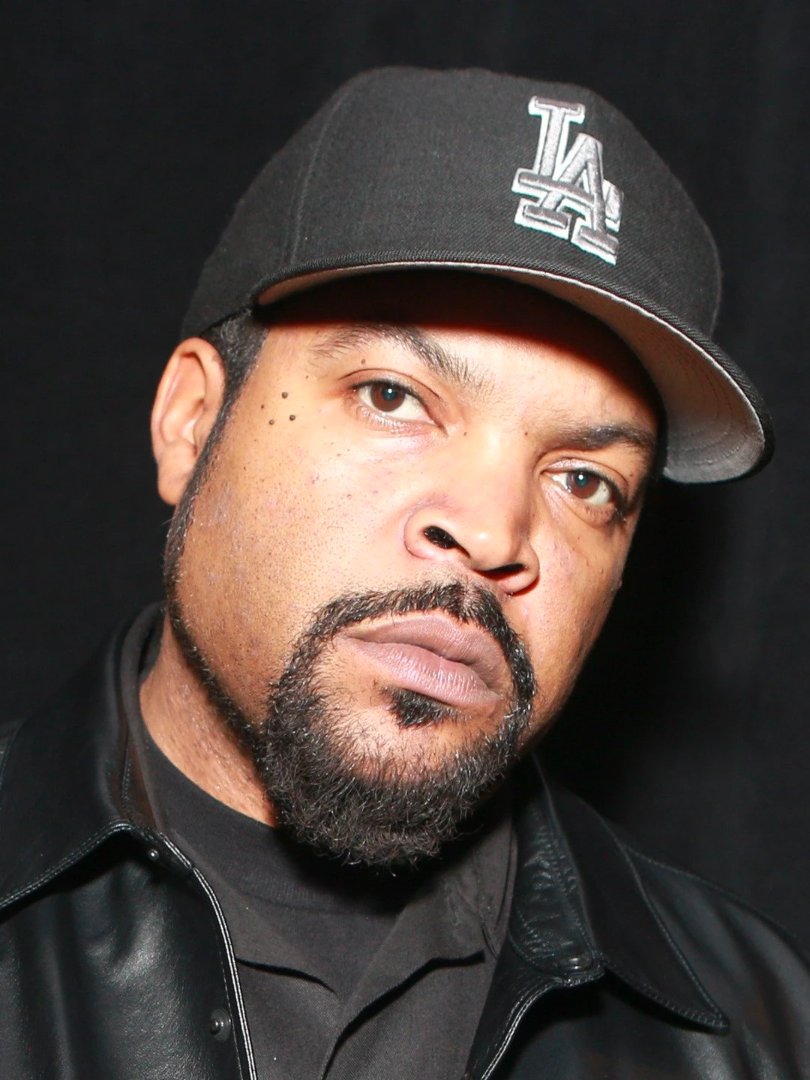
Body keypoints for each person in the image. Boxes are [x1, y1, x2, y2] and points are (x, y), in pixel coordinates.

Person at [1, 65, 808, 1079]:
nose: (493, 529)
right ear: (192, 422)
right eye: (394, 396)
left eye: (585, 480)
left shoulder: (760, 1036)